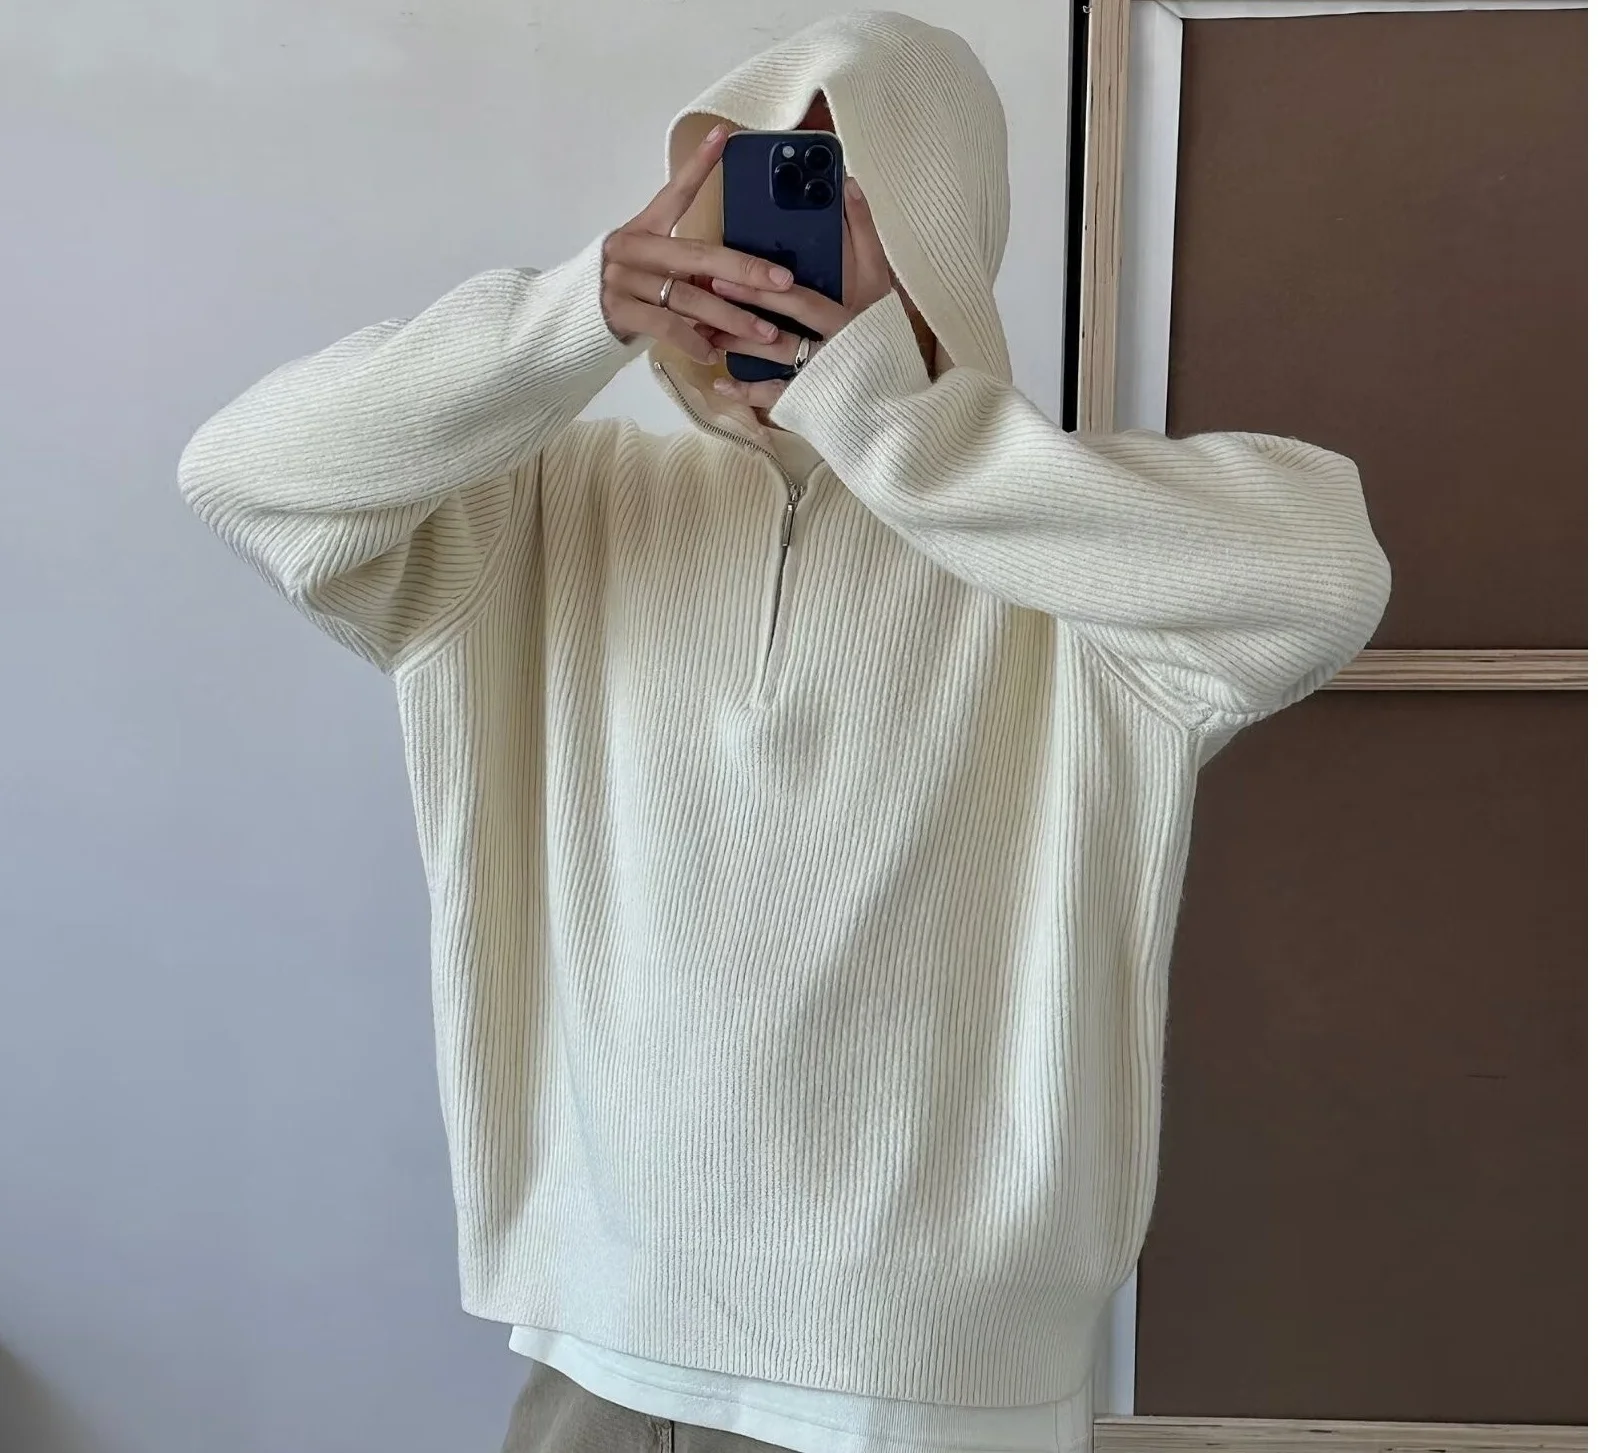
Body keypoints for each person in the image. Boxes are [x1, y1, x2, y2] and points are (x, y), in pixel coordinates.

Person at [177, 11, 1391, 1453]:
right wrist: (576, 314)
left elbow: (1320, 578)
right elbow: (246, 475)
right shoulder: (550, 506)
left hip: (929, 1375)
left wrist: (888, 419)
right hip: (607, 1334)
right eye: (753, 183)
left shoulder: (1065, 543)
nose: (777, 244)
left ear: (938, 227)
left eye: (841, 189)